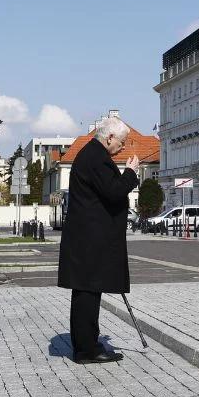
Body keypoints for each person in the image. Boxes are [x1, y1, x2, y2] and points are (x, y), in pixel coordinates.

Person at [58, 117, 141, 364]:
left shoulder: (92, 155)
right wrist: (131, 173)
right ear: (109, 138)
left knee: (88, 292)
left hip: (87, 238)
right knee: (87, 293)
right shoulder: (96, 157)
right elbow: (114, 191)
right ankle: (86, 349)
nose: (124, 147)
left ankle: (88, 344)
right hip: (90, 240)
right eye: (122, 142)